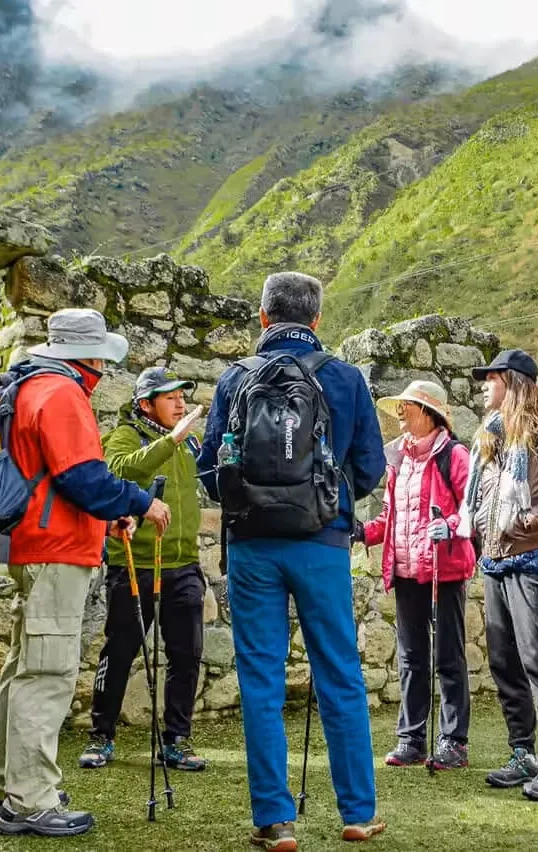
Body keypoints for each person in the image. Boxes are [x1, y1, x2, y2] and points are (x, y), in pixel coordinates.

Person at [199, 271, 388, 851]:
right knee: (340, 674)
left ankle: (274, 821)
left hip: (252, 545)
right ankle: (356, 814)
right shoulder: (346, 378)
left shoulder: (235, 380)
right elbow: (373, 468)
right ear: (316, 320)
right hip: (323, 544)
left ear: (262, 318)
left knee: (260, 678)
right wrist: (328, 501)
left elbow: (210, 472)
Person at [0, 308, 171, 838]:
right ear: (87, 354)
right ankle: (30, 801)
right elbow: (84, 478)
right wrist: (138, 503)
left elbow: (57, 483)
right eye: (101, 358)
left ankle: (3, 785)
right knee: (47, 673)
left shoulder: (31, 386)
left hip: (35, 543)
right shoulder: (61, 394)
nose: (102, 369)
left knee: (22, 667)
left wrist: (104, 520)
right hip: (55, 550)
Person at [456, 349, 538, 802]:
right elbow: (485, 504)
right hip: (495, 561)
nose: (483, 387)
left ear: (512, 382)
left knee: (537, 660)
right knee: (504, 662)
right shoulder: (491, 440)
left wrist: (528, 521)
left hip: (534, 559)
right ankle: (523, 754)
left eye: (490, 379)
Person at [79, 367, 209, 772]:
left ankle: (176, 740)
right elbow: (116, 471)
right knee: (119, 652)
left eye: (181, 396)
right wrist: (170, 441)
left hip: (184, 564)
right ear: (145, 404)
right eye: (169, 397)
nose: (180, 403)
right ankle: (101, 736)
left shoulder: (190, 443)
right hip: (134, 563)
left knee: (186, 654)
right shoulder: (127, 435)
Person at [355, 381, 476, 771]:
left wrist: (451, 524)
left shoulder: (454, 455)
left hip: (445, 570)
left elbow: (473, 507)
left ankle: (454, 742)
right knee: (411, 658)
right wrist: (363, 532)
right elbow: (391, 517)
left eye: (407, 406)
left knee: (448, 656)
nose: (401, 414)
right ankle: (412, 739)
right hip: (406, 570)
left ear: (428, 412)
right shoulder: (400, 461)